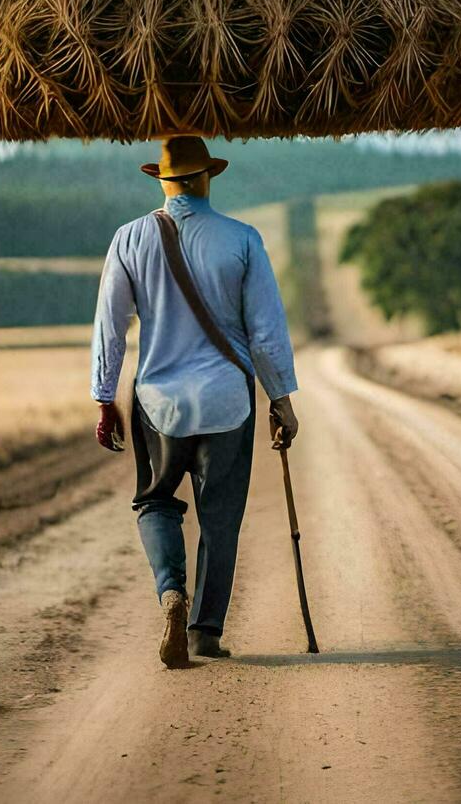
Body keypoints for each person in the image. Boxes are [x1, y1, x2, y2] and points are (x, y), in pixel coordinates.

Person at [91, 135, 299, 668]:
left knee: (156, 501)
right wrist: (281, 400)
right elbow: (267, 334)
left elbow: (111, 328)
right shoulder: (243, 239)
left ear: (161, 181)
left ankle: (170, 593)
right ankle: (206, 631)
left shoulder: (128, 239)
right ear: (208, 177)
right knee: (220, 516)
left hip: (158, 401)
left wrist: (103, 396)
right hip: (229, 398)